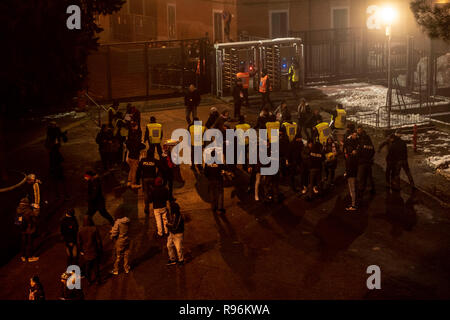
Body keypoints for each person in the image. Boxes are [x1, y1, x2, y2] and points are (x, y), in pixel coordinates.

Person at [78, 215, 103, 285]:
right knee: (96, 267)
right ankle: (98, 280)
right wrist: (100, 249)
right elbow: (98, 241)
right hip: (94, 251)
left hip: (86, 252)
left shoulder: (80, 230)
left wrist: (81, 251)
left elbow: (79, 242)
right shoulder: (94, 229)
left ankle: (89, 280)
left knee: (87, 267)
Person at [17, 198, 39, 262]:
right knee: (30, 243)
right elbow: (36, 215)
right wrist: (37, 208)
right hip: (29, 229)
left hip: (22, 229)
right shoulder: (28, 211)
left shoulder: (18, 209)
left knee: (23, 243)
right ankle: (30, 257)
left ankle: (23, 256)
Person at [136, 150, 158, 215]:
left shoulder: (142, 160)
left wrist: (137, 180)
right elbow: (160, 167)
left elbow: (138, 170)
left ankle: (146, 208)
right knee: (154, 191)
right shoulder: (154, 160)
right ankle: (155, 206)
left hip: (145, 178)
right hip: (153, 178)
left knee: (146, 193)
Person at [357, 126, 376, 198]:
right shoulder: (368, 140)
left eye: (359, 130)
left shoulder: (361, 141)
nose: (358, 131)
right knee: (369, 176)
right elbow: (372, 151)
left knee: (361, 176)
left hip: (362, 162)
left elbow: (359, 152)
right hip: (368, 161)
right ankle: (372, 189)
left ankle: (361, 191)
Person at [125, 121, 144, 187]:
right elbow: (141, 146)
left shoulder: (130, 137)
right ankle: (133, 183)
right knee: (134, 171)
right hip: (134, 157)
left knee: (131, 169)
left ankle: (129, 181)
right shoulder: (136, 138)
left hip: (129, 156)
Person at [166, 201, 184, 266]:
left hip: (178, 234)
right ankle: (172, 259)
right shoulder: (172, 215)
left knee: (178, 248)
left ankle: (181, 260)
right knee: (169, 245)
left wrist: (168, 225)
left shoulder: (179, 216)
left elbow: (175, 227)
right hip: (172, 233)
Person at [345, 131, 359, 211]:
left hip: (351, 175)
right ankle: (353, 203)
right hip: (352, 174)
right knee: (352, 189)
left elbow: (349, 168)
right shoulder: (354, 159)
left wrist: (347, 174)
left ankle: (353, 205)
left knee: (352, 189)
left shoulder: (349, 159)